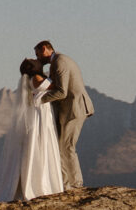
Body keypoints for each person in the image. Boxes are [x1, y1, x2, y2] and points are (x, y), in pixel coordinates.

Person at [0, 58, 64, 202]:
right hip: (41, 114)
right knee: (42, 143)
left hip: (38, 113)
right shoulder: (37, 79)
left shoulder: (28, 81)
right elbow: (56, 87)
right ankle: (40, 184)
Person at [35, 39, 94, 190]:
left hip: (75, 108)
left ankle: (75, 184)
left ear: (44, 49)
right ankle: (65, 184)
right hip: (69, 110)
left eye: (38, 55)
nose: (37, 59)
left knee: (66, 146)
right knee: (60, 146)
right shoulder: (57, 62)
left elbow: (62, 92)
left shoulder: (61, 62)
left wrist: (39, 100)